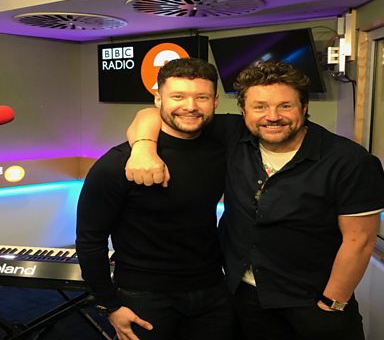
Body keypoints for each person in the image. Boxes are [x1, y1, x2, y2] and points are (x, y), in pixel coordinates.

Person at [125, 60, 384, 340]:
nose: (272, 116)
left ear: (304, 107)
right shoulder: (233, 134)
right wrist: (143, 149)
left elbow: (359, 241)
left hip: (313, 302)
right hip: (245, 299)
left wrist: (332, 303)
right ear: (244, 111)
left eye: (285, 106)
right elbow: (151, 114)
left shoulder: (350, 161)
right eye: (259, 107)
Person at [76, 58, 234, 340]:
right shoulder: (117, 164)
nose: (190, 106)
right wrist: (109, 305)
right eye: (178, 96)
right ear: (158, 99)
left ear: (215, 101)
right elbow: (90, 239)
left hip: (212, 290)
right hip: (144, 295)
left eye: (201, 97)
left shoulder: (223, 144)